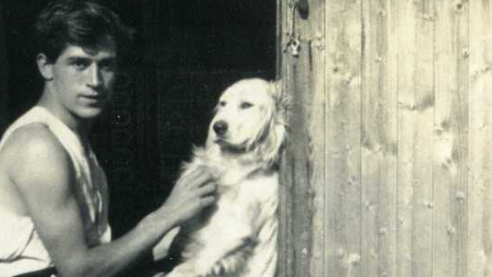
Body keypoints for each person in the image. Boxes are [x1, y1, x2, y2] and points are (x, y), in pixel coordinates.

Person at [0, 1, 216, 277]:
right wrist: (166, 215)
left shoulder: (72, 141)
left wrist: (181, 235)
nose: (95, 80)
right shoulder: (38, 145)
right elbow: (78, 271)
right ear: (46, 66)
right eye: (79, 63)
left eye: (106, 65)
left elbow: (102, 261)